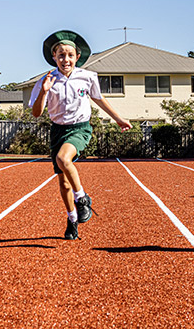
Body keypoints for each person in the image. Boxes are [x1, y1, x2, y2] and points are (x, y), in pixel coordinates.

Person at [30, 30, 132, 240]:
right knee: (63, 182)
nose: (65, 59)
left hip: (79, 128)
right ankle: (72, 218)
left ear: (77, 56)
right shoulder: (45, 81)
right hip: (58, 130)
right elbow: (36, 112)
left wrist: (118, 118)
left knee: (63, 159)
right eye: (60, 55)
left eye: (69, 55)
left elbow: (99, 99)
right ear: (54, 58)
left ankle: (82, 198)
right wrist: (44, 91)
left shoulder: (88, 77)